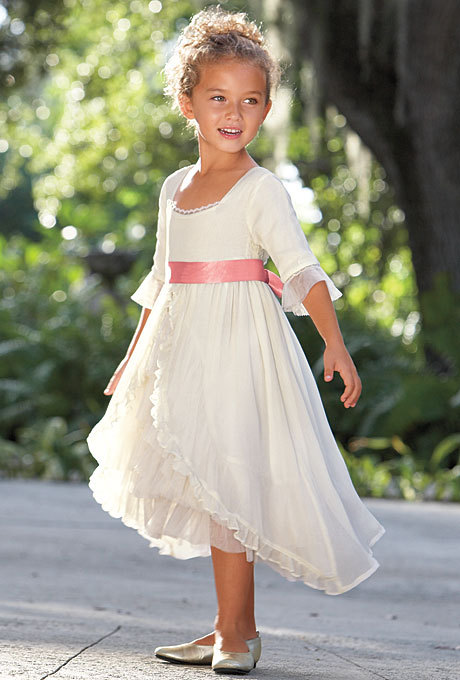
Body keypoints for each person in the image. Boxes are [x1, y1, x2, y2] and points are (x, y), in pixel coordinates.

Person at [86, 4, 385, 675]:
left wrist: (334, 344)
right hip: (181, 351)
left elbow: (301, 267)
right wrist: (133, 361)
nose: (234, 112)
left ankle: (234, 637)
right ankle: (232, 628)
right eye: (218, 97)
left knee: (231, 481)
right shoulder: (174, 190)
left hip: (240, 350)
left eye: (250, 100)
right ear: (187, 103)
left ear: (267, 108)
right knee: (210, 483)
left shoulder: (261, 188)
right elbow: (160, 281)